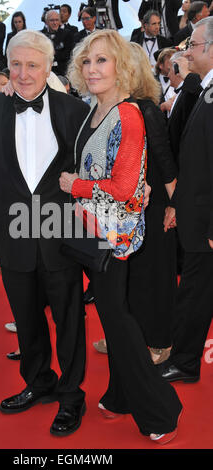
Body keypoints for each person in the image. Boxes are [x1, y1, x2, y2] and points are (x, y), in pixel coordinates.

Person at [0, 30, 89, 437]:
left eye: (32, 65)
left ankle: (72, 395)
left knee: (70, 320)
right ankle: (38, 382)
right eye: (15, 64)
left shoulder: (74, 111)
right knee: (26, 317)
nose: (22, 73)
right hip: (10, 233)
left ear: (49, 66)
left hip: (61, 233)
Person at [62, 29, 182, 444]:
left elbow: (126, 187)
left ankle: (161, 410)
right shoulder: (94, 110)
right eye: (86, 61)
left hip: (116, 236)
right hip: (95, 233)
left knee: (118, 320)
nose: (91, 68)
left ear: (122, 67)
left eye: (102, 60)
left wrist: (73, 185)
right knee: (115, 318)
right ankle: (120, 396)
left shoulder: (128, 113)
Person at [161, 16, 213, 384]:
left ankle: (185, 361)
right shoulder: (204, 89)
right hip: (196, 213)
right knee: (194, 292)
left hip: (206, 221)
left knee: (195, 294)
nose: (187, 51)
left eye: (193, 45)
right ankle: (184, 358)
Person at [126, 42, 178, 365]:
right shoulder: (117, 107)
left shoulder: (146, 108)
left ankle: (161, 341)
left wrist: (176, 207)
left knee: (155, 275)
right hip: (126, 208)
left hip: (155, 205)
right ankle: (132, 336)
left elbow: (166, 161)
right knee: (131, 277)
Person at [42, 10, 74, 76]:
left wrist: (53, 54)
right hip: (45, 72)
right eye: (52, 20)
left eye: (57, 20)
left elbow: (69, 54)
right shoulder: (41, 35)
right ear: (46, 22)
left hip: (62, 73)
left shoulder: (67, 34)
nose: (55, 23)